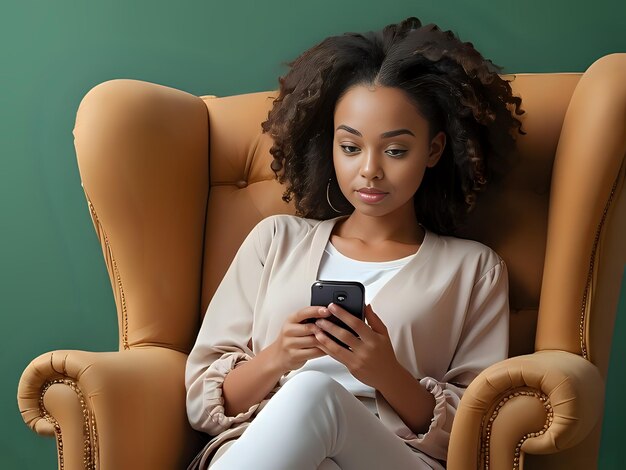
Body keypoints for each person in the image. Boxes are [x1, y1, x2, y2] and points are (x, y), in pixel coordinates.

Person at [185, 16, 524, 470]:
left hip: (396, 458)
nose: (369, 170)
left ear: (435, 150)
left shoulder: (474, 269)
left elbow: (477, 429)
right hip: (273, 452)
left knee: (313, 392)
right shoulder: (275, 241)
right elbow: (204, 403)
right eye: (350, 147)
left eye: (395, 150)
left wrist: (386, 373)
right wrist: (277, 356)